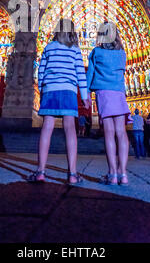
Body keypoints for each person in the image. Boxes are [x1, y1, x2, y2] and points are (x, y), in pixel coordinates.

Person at [27, 19, 89, 185]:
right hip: (68, 90)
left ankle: (40, 171)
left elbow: (41, 70)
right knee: (70, 129)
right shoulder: (75, 49)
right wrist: (84, 95)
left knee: (47, 128)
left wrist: (42, 88)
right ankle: (73, 174)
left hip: (50, 90)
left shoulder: (48, 47)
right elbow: (80, 73)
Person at [86, 21, 131, 186]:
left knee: (109, 133)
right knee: (121, 133)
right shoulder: (122, 53)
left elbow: (89, 74)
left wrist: (86, 93)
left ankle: (112, 173)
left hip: (103, 93)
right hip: (119, 93)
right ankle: (123, 174)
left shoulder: (96, 52)